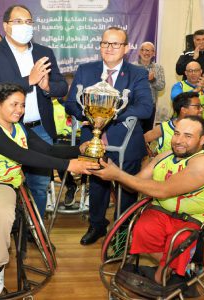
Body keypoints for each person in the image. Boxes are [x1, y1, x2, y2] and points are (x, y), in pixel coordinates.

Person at [0, 83, 99, 297]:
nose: (20, 110)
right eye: (14, 104)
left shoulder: (20, 128)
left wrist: (78, 150)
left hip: (1, 184)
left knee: (1, 214)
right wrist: (69, 165)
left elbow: (48, 149)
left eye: (23, 105)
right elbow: (20, 154)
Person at [91, 116, 204, 284]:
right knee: (142, 228)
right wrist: (109, 168)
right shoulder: (163, 157)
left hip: (196, 220)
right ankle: (171, 268)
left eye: (188, 136)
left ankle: (163, 273)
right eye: (176, 134)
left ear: (202, 139)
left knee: (180, 240)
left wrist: (118, 174)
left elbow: (164, 190)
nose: (179, 140)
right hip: (161, 213)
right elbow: (133, 186)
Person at [0, 4, 68, 217]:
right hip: (7, 130)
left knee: (39, 184)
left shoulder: (44, 52)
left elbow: (62, 86)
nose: (24, 26)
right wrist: (30, 80)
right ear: (5, 26)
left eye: (28, 22)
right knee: (5, 185)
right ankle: (7, 228)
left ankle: (35, 230)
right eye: (18, 22)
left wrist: (47, 87)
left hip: (40, 129)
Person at [65, 27, 153, 245]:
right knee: (97, 186)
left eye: (115, 44)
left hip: (126, 141)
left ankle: (122, 231)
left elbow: (145, 108)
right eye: (105, 43)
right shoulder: (86, 70)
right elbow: (70, 103)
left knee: (127, 187)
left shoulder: (137, 73)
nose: (109, 48)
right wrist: (87, 113)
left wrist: (109, 114)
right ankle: (97, 226)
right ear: (100, 46)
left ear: (125, 48)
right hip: (92, 141)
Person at [171, 61, 204, 126]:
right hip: (181, 125)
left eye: (196, 70)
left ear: (201, 71)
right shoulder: (179, 85)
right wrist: (196, 90)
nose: (193, 73)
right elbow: (177, 99)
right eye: (190, 71)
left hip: (203, 125)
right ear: (186, 73)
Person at [133, 41, 165, 131]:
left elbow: (161, 86)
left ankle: (146, 146)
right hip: (135, 105)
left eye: (149, 51)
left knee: (147, 132)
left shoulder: (158, 68)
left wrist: (152, 80)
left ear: (153, 53)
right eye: (144, 50)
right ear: (139, 52)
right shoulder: (132, 66)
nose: (146, 53)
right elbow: (127, 86)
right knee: (134, 132)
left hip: (150, 105)